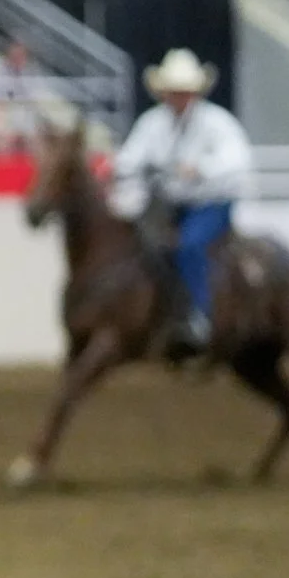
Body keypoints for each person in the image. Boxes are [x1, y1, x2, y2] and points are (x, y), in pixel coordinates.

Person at [110, 48, 252, 354]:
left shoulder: (217, 123)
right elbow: (130, 158)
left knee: (189, 246)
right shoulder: (152, 123)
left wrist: (200, 169)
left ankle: (201, 316)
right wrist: (120, 169)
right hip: (170, 205)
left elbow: (238, 160)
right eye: (173, 92)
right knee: (136, 245)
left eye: (183, 92)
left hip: (212, 204)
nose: (178, 98)